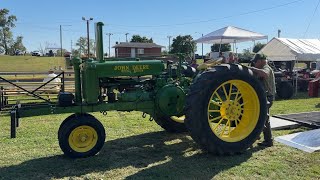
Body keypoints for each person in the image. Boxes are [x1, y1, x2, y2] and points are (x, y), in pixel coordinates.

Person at [249, 53, 276, 147]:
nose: (254, 64)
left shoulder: (266, 67)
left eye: (255, 62)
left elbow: (264, 74)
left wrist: (252, 69)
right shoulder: (262, 67)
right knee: (263, 118)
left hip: (267, 97)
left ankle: (267, 140)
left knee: (263, 118)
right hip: (264, 96)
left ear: (260, 61)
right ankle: (266, 139)